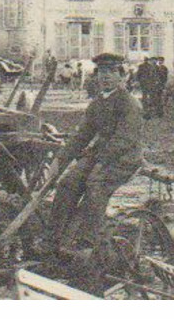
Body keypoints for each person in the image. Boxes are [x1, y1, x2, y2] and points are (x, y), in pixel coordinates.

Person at [46, 52, 143, 258]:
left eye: (111, 72)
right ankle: (54, 237)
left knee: (94, 185)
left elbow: (124, 140)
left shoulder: (129, 104)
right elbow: (82, 136)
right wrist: (60, 160)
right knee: (67, 183)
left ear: (121, 76)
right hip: (101, 155)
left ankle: (87, 242)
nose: (105, 77)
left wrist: (98, 162)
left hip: (124, 159)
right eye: (102, 72)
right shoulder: (97, 103)